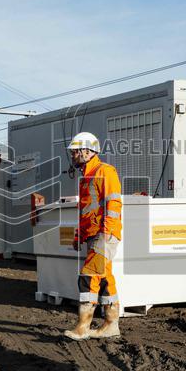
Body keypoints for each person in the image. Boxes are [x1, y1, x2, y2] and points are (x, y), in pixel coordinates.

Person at [63, 132, 123, 341]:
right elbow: (86, 211)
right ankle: (111, 325)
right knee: (105, 279)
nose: (72, 155)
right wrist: (78, 235)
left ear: (87, 151)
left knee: (88, 276)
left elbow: (113, 204)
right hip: (93, 234)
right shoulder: (86, 176)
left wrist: (106, 233)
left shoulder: (105, 171)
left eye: (75, 152)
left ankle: (83, 327)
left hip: (104, 234)